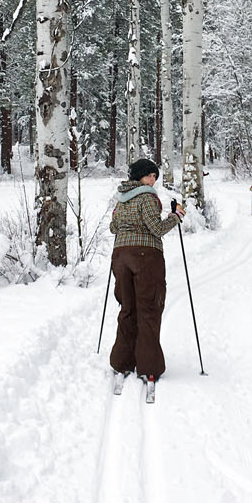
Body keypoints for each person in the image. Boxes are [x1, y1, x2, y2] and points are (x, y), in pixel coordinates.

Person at [109, 157, 184, 382]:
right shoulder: (148, 196)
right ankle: (149, 366)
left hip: (121, 256)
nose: (153, 180)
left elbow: (114, 227)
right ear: (139, 176)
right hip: (146, 256)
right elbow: (156, 228)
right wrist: (176, 217)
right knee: (149, 308)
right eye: (149, 175)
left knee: (127, 308)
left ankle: (121, 362)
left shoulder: (121, 198)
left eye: (154, 176)